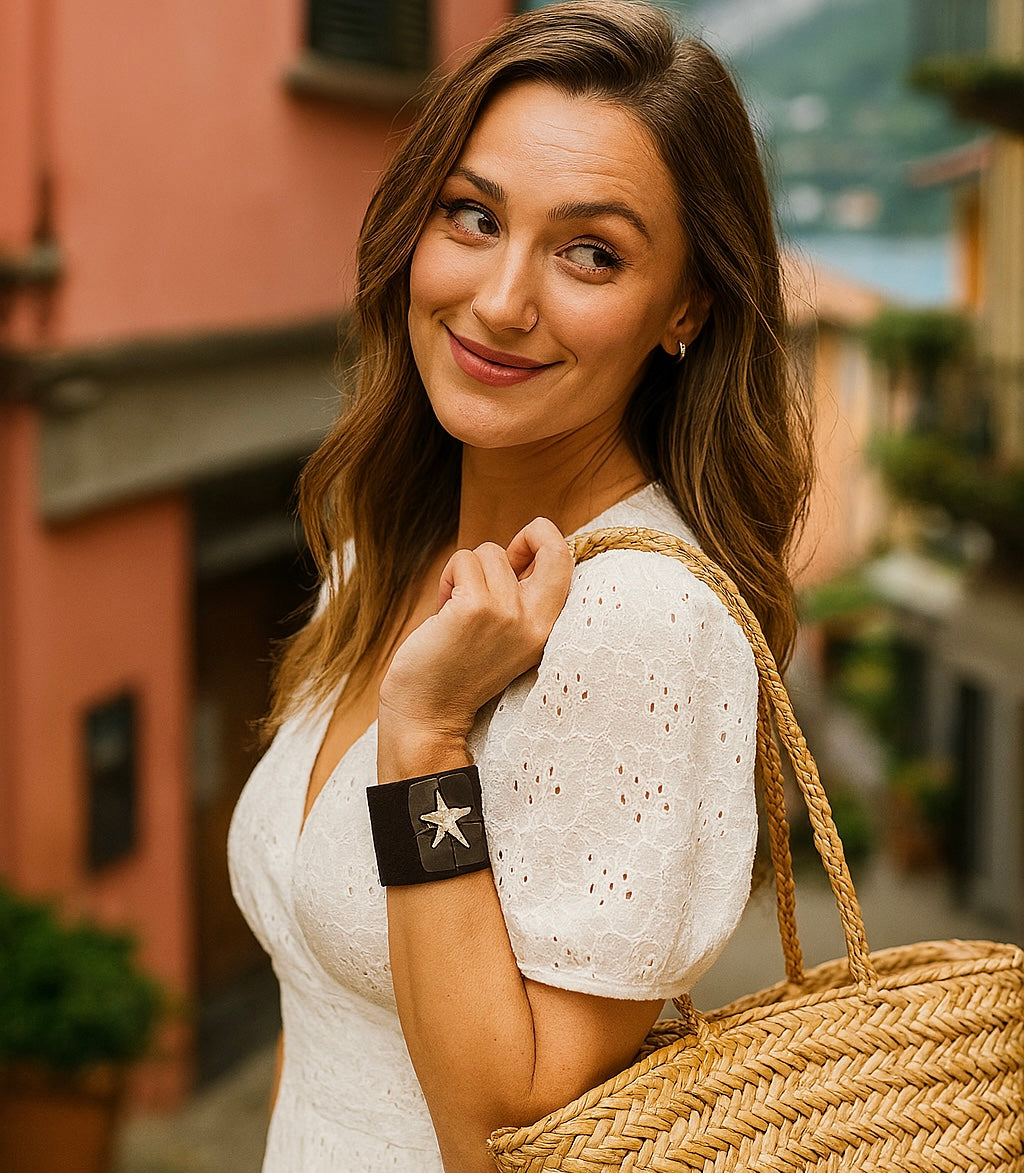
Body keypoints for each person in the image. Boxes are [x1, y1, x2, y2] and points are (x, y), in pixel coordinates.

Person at [228, 2, 812, 1169]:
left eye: (590, 251)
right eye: (474, 216)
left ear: (685, 309)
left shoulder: (641, 622)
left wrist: (429, 732)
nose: (500, 300)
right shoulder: (380, 553)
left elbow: (501, 1140)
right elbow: (325, 1012)